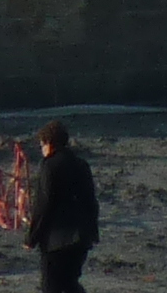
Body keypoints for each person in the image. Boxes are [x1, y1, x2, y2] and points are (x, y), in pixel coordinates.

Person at [23, 120, 98, 292]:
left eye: (42, 145)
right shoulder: (81, 165)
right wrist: (92, 232)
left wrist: (32, 237)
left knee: (51, 286)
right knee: (70, 283)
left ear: (49, 143)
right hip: (81, 238)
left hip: (56, 241)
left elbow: (43, 204)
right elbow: (91, 202)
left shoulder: (49, 166)